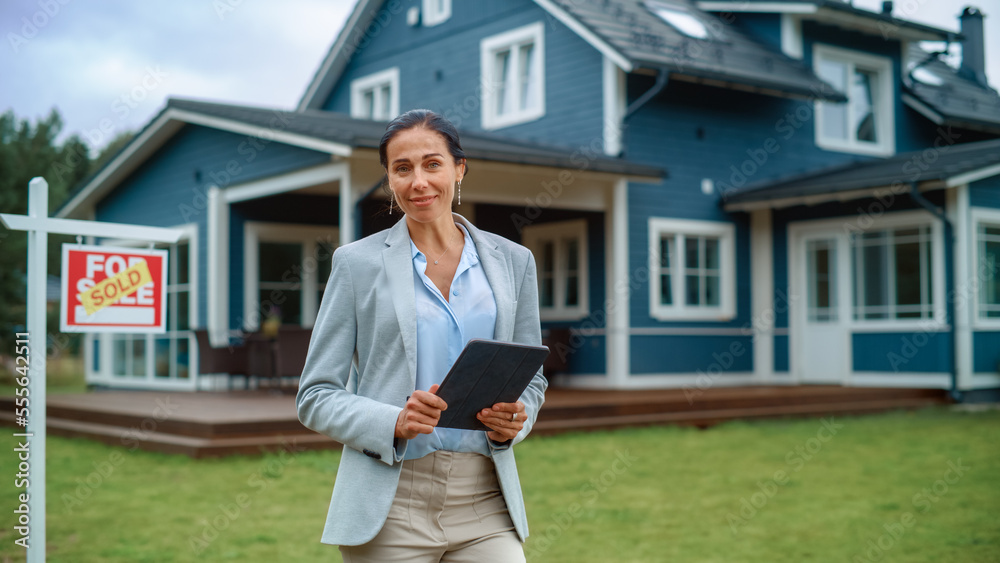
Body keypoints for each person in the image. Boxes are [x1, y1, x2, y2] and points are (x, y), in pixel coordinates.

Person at [296, 109, 547, 562]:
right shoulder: (356, 264)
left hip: (486, 498)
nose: (419, 182)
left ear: (459, 169)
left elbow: (531, 377)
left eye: (433, 164)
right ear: (389, 179)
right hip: (391, 502)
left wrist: (517, 419)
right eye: (402, 168)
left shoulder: (514, 261)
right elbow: (315, 395)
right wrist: (393, 421)